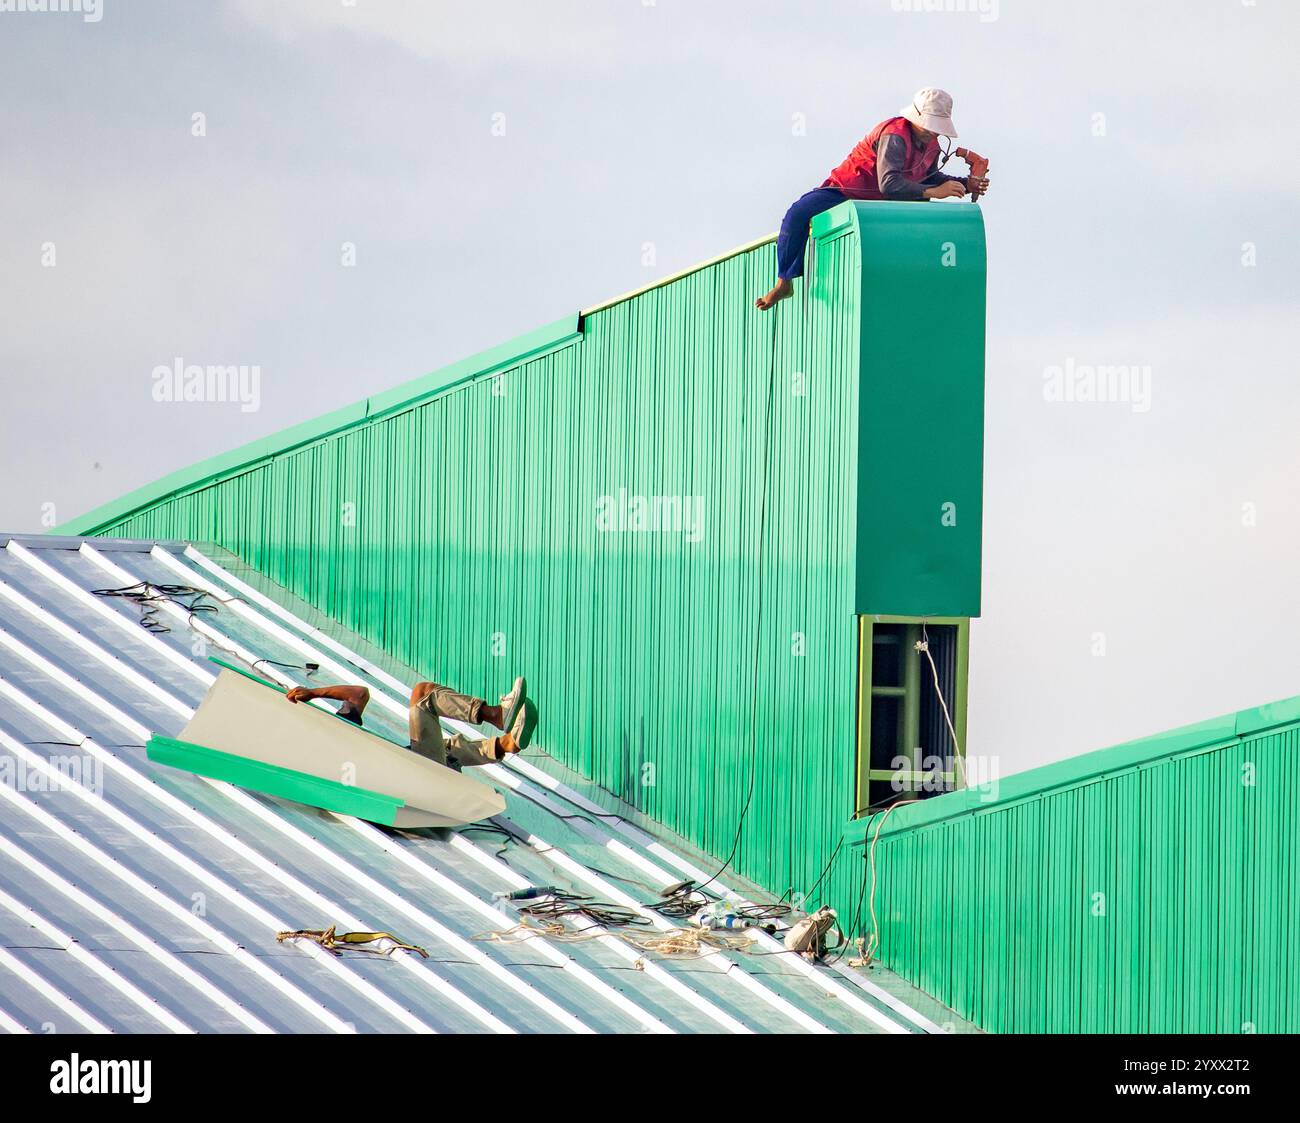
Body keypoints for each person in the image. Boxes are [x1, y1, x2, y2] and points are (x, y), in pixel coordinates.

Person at [755, 87, 989, 311]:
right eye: (930, 125)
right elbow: (889, 184)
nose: (933, 132)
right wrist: (933, 192)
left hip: (884, 203)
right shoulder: (894, 136)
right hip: (847, 189)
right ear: (916, 117)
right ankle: (784, 282)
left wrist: (966, 184)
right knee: (797, 213)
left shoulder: (932, 146)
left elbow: (929, 176)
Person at [284, 674, 536, 771]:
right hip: (416, 774)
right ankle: (494, 715)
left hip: (426, 770)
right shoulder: (333, 742)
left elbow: (357, 694)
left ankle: (506, 744)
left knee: (446, 747)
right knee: (423, 693)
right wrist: (316, 693)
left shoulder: (331, 746)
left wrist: (315, 693)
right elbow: (358, 694)